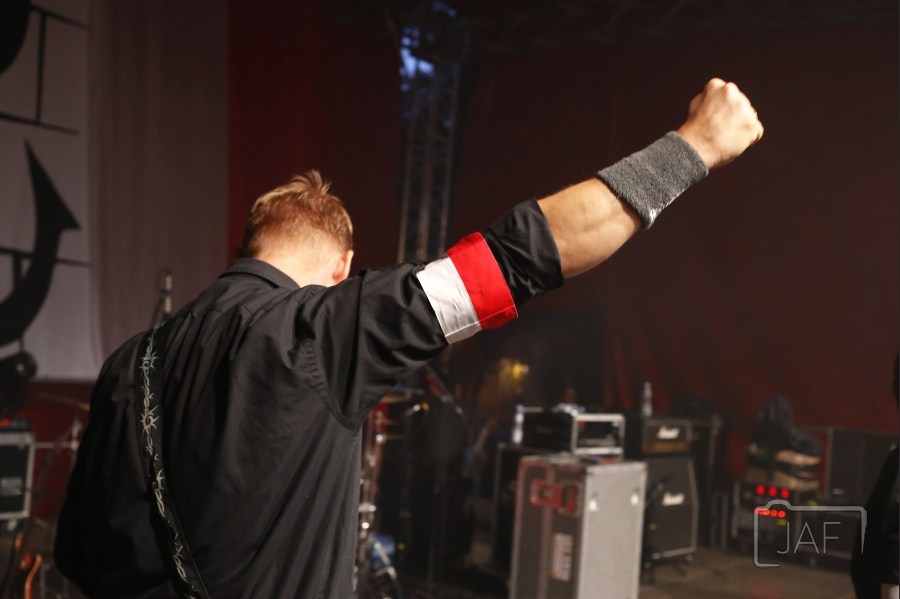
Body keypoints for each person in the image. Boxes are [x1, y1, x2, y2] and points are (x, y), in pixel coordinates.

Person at [54, 78, 763, 598]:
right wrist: (692, 149)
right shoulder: (325, 331)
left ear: (247, 247)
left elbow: (81, 559)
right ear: (341, 268)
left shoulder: (127, 365)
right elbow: (520, 257)